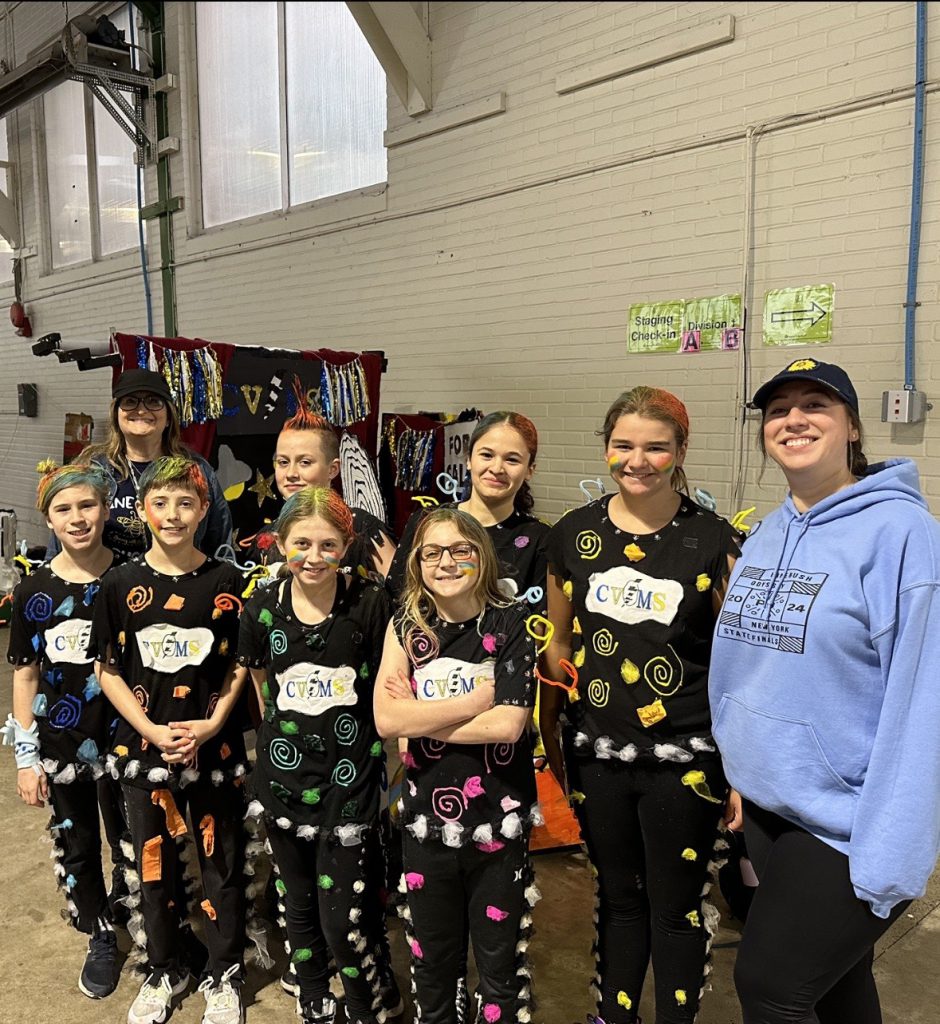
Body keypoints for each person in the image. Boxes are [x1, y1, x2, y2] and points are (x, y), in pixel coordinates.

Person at [709, 358, 940, 1024]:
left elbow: (922, 706)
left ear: (853, 430)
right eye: (779, 409)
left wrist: (892, 851)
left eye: (817, 404)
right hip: (768, 805)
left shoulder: (904, 538)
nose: (794, 419)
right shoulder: (766, 533)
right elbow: (746, 669)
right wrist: (739, 770)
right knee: (836, 985)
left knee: (771, 988)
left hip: (848, 822)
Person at [539, 387, 739, 1024]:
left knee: (675, 905)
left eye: (656, 447)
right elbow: (559, 639)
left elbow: (740, 660)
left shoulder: (713, 540)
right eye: (624, 445)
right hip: (599, 754)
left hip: (686, 759)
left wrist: (742, 765)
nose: (638, 459)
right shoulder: (574, 534)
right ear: (606, 449)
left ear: (680, 453)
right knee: (618, 899)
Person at [90, 456, 249, 1024]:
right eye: (161, 503)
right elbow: (107, 669)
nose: (173, 514)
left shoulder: (229, 583)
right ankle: (165, 966)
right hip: (144, 753)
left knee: (220, 864)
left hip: (213, 751)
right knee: (151, 866)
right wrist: (151, 730)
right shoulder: (120, 583)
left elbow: (240, 667)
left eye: (186, 503)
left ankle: (224, 971)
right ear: (142, 510)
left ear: (204, 509)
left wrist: (209, 725)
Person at [374, 508, 540, 1024]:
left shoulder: (512, 623)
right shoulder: (406, 625)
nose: (445, 562)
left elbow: (508, 727)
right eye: (431, 552)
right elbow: (384, 719)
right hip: (426, 824)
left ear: (482, 558)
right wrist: (478, 701)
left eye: (460, 550)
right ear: (417, 563)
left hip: (498, 820)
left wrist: (418, 720)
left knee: (498, 963)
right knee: (432, 960)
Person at [238, 486, 393, 1024]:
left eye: (328, 545)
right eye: (301, 543)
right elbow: (263, 688)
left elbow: (389, 684)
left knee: (342, 919)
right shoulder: (262, 607)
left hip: (351, 782)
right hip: (281, 781)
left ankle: (363, 1003)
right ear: (280, 543)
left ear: (346, 546)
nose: (314, 557)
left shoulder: (370, 603)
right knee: (296, 898)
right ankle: (310, 992)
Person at [4, 462, 120, 999]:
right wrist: (26, 758)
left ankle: (142, 923)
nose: (77, 519)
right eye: (63, 509)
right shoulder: (34, 591)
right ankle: (99, 932)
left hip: (127, 739)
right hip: (60, 741)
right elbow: (25, 673)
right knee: (77, 843)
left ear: (105, 507)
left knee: (132, 840)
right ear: (48, 518)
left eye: (87, 505)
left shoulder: (132, 579)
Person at [49, 368, 232, 564]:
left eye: (154, 401)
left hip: (178, 587)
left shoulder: (197, 471)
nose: (142, 410)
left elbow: (220, 545)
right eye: (130, 401)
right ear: (116, 415)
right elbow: (60, 547)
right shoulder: (90, 469)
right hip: (103, 588)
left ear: (169, 416)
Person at [386, 411, 548, 606]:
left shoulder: (540, 538)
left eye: (512, 459)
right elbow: (396, 599)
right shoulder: (427, 521)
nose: (497, 468)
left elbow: (540, 622)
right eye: (487, 455)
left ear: (530, 470)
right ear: (469, 459)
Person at [240, 385, 396, 583]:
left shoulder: (363, 529)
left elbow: (402, 599)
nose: (291, 474)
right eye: (283, 462)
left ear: (333, 469)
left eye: (305, 462)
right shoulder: (266, 539)